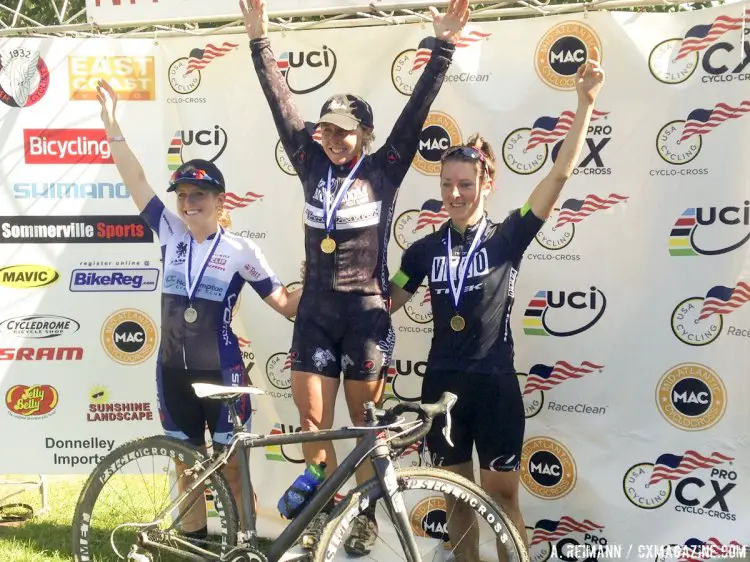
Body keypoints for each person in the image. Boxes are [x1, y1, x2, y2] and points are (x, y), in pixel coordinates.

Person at [240, 0, 470, 553]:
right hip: (315, 313)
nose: (334, 139)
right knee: (314, 420)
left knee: (365, 430)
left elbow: (417, 111)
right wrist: (258, 39)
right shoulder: (308, 160)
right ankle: (321, 516)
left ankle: (364, 518)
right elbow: (280, 103)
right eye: (327, 130)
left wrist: (442, 47)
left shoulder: (386, 168)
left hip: (365, 315)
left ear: (364, 134)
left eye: (345, 131)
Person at [388, 51, 606, 561]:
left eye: (465, 184)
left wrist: (585, 104)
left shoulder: (509, 235)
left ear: (486, 183)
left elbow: (557, 179)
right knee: (456, 499)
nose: (455, 194)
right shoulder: (421, 250)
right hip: (441, 386)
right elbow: (391, 298)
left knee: (503, 497)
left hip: (494, 384)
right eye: (446, 186)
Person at [95, 79, 302, 540]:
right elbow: (135, 179)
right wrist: (112, 126)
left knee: (232, 469)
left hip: (222, 376)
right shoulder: (167, 230)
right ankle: (193, 543)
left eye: (198, 196)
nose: (188, 204)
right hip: (171, 371)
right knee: (185, 466)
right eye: (183, 196)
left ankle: (243, 545)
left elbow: (286, 305)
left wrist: (322, 276)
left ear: (219, 201)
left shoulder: (242, 250)